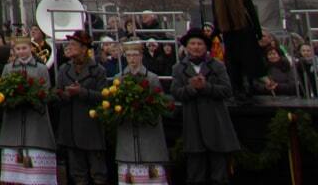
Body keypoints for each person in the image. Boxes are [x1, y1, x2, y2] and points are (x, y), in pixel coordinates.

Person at [173, 34, 239, 185]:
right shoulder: (178, 68)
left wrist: (206, 87)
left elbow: (227, 90)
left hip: (216, 122)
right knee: (195, 174)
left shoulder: (217, 65)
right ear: (187, 46)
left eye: (200, 44)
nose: (196, 47)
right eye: (193, 43)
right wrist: (191, 88)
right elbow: (176, 93)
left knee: (219, 174)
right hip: (193, 123)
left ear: (206, 47)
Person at [0, 36, 57, 185]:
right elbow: (3, 90)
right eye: (18, 49)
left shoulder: (41, 68)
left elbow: (46, 90)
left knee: (36, 158)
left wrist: (34, 97)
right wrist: (11, 98)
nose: (21, 52)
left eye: (24, 48)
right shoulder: (8, 68)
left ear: (31, 49)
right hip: (14, 118)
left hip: (35, 117)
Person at [49, 32, 106, 185]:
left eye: (73, 45)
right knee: (77, 173)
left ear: (83, 48)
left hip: (91, 126)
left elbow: (104, 96)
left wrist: (82, 92)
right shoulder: (63, 69)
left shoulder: (98, 70)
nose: (70, 48)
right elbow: (56, 93)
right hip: (70, 126)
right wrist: (61, 94)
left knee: (98, 172)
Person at [111, 41, 167, 183]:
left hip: (148, 130)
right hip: (128, 130)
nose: (132, 59)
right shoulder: (119, 78)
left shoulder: (151, 77)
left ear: (141, 56)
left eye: (135, 55)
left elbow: (160, 102)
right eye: (129, 55)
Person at [209, 0, 265, 101]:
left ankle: (237, 89)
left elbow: (216, 14)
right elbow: (250, 8)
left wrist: (215, 32)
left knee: (234, 62)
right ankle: (251, 87)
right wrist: (258, 32)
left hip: (228, 31)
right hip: (244, 28)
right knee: (249, 59)